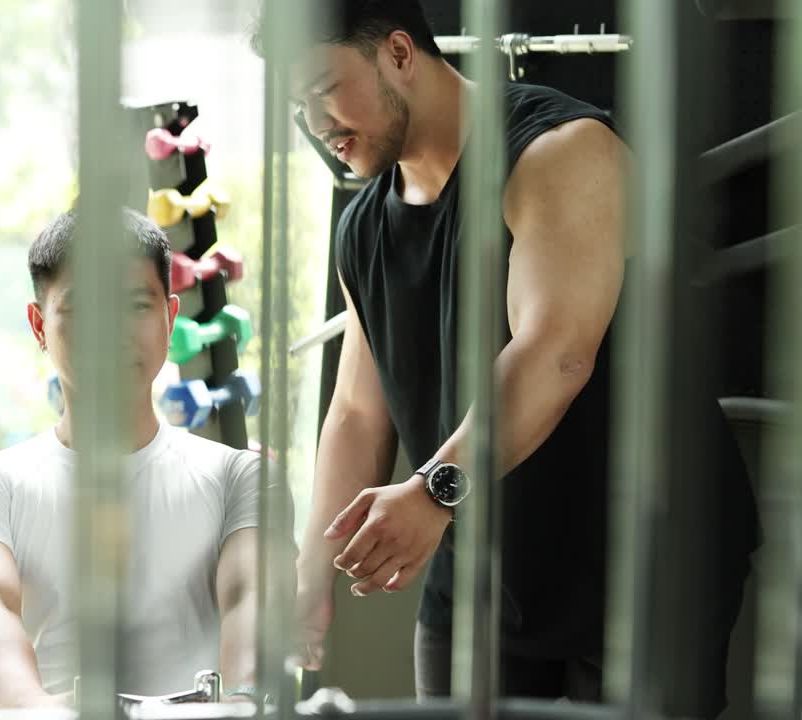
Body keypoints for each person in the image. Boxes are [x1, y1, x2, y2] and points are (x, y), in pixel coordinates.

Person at [259, 1, 760, 716]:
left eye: (322, 88)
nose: (316, 122)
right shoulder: (362, 227)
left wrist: (434, 491)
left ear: (400, 53)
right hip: (486, 577)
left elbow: (554, 353)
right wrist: (313, 570)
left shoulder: (560, 150)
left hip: (645, 569)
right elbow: (358, 413)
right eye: (296, 104)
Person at [0, 208, 264, 708]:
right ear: (40, 325)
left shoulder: (239, 478)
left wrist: (239, 703)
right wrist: (39, 711)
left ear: (170, 319)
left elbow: (253, 596)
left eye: (134, 306)